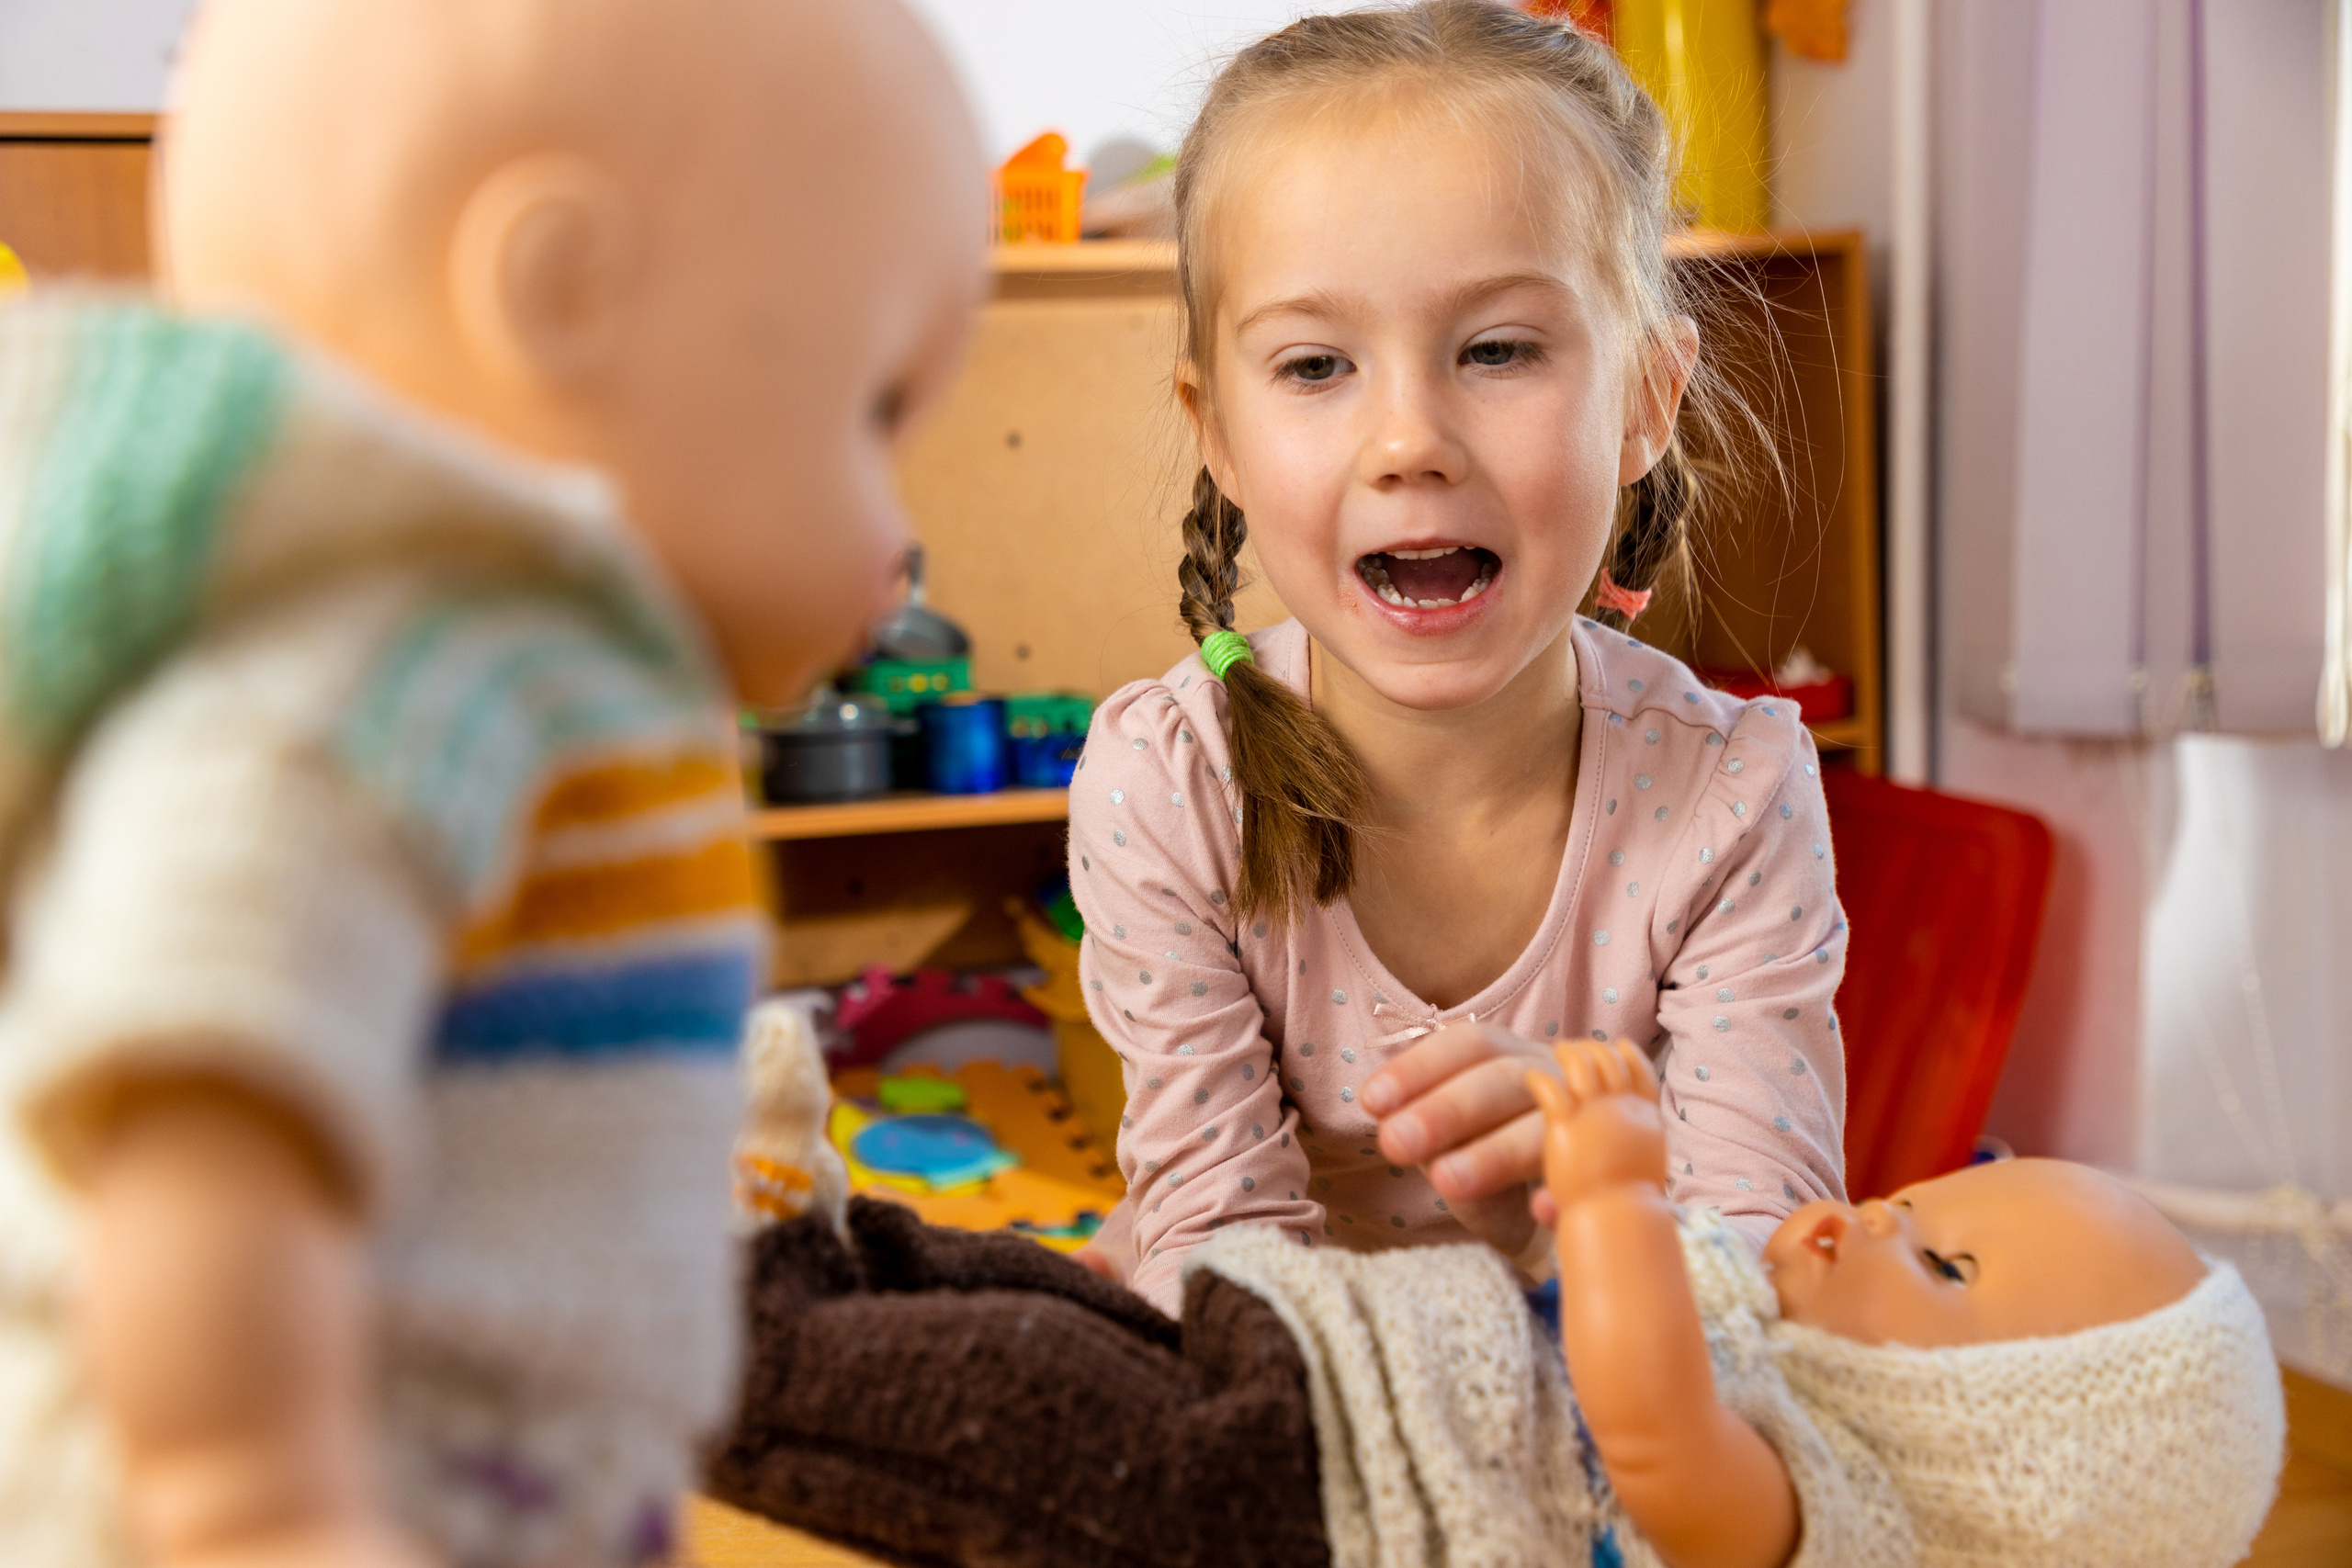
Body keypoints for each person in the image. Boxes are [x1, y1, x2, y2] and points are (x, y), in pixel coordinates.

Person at [0, 2, 983, 1564]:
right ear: (564, 292)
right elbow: (201, 1078)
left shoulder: (552, 682)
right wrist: (247, 1494)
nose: (894, 526)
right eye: (873, 409)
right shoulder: (408, 676)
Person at [1069, 0, 1844, 1314]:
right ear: (1220, 432)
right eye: (1316, 366)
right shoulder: (1171, 781)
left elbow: (1761, 1297)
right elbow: (1228, 1273)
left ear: (1646, 403)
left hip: (1610, 1379)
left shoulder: (1734, 792)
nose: (1408, 440)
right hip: (1262, 1385)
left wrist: (1586, 1219)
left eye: (1496, 350)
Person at [707, 1033, 2284, 1568]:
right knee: (1036, 1302)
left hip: (1293, 1510)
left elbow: (1651, 1434)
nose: (1870, 1215)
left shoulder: (1837, 1520)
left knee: (1000, 1402)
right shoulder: (1782, 1333)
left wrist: (1609, 1202)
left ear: (2006, 1459)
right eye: (1919, 1197)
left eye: (1940, 1263)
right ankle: (829, 1252)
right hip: (1310, 1368)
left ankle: (735, 1336)